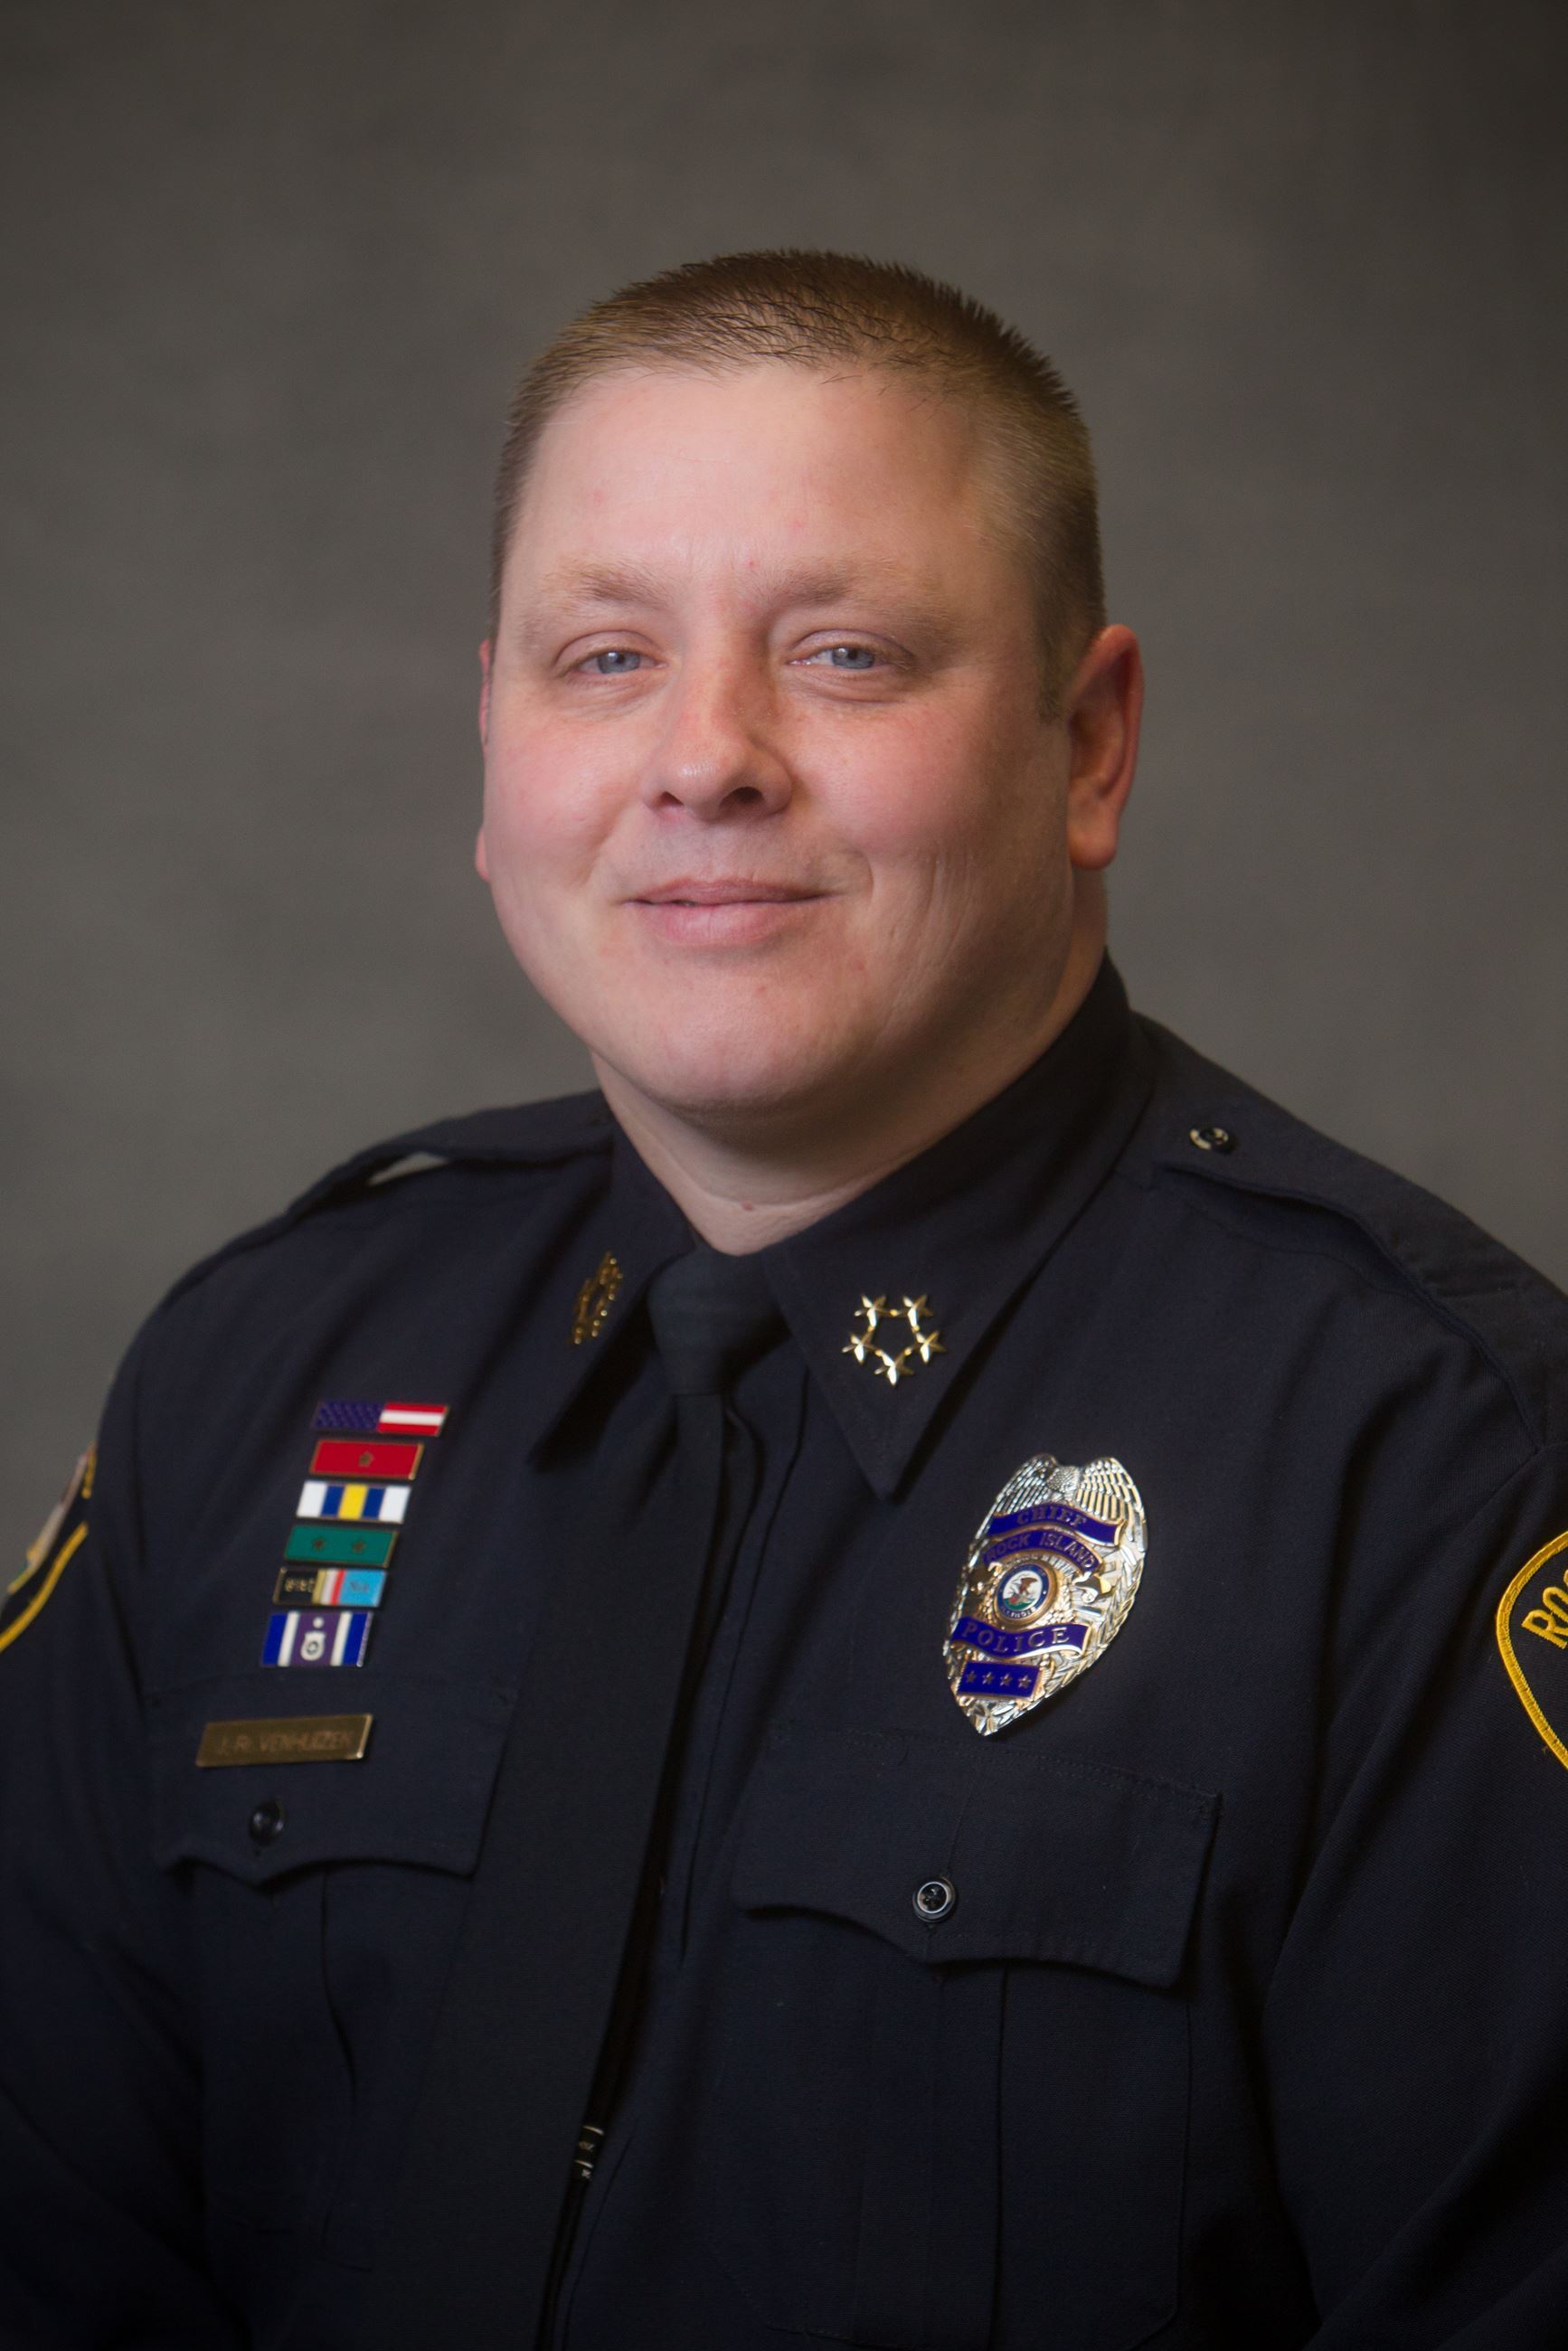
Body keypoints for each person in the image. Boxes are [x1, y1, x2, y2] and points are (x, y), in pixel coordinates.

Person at [4, 250, 1568, 2351]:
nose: (706, 759)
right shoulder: (252, 1379)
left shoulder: (1432, 1466)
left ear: (1090, 743)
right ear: (494, 736)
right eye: (605, 656)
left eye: (844, 654)